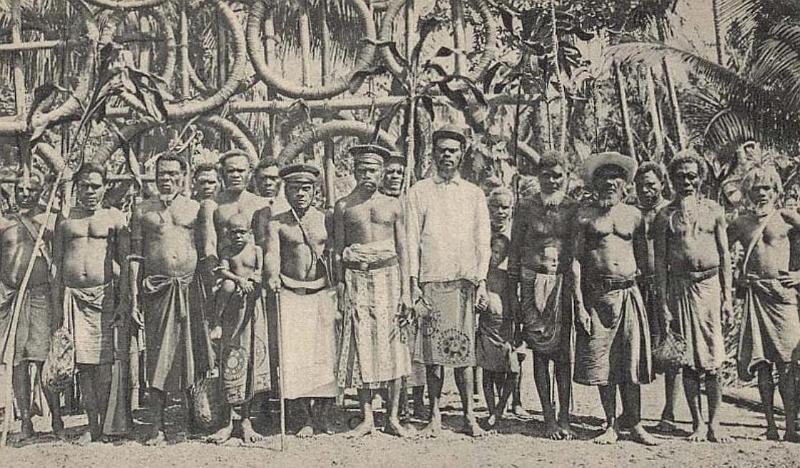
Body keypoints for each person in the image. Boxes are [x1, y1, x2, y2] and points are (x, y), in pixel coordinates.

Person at [406, 125, 491, 437]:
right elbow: (411, 240)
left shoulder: (474, 194)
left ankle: (469, 415)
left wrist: (481, 282)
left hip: (464, 283)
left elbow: (484, 242)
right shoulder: (419, 192)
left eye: (453, 150)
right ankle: (435, 416)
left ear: (462, 155)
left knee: (463, 353)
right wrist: (413, 284)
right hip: (431, 282)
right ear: (433, 153)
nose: (447, 155)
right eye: (442, 150)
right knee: (433, 357)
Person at [573, 152, 656, 446]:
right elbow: (576, 262)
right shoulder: (584, 216)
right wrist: (580, 305)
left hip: (630, 294)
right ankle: (609, 424)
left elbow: (646, 262)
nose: (609, 183)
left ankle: (635, 424)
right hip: (599, 296)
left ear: (624, 184)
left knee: (631, 364)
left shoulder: (634, 216)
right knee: (604, 365)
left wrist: (652, 301)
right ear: (595, 183)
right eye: (603, 178)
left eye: (615, 178)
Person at [129, 152, 211, 446]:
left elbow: (205, 252)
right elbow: (135, 257)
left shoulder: (196, 209)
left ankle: (188, 422)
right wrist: (134, 296)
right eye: (161, 174)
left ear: (183, 176)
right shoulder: (142, 211)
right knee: (157, 357)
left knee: (190, 355)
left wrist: (207, 293)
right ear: (154, 176)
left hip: (189, 289)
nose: (166, 179)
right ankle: (158, 426)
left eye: (173, 174)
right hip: (157, 290)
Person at [654, 150, 733, 443]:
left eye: (691, 176)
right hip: (680, 290)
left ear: (700, 178)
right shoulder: (665, 216)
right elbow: (660, 263)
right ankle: (697, 423)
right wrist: (663, 303)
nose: (686, 181)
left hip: (710, 289)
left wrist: (727, 298)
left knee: (713, 359)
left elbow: (725, 255)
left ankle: (715, 423)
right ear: (672, 180)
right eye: (680, 177)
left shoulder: (714, 210)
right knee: (687, 359)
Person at [333, 145, 412, 437]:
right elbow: (338, 251)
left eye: (372, 170)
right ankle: (367, 417)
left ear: (381, 172)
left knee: (395, 347)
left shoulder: (394, 205)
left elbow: (403, 249)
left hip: (389, 279)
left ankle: (392, 418)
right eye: (362, 169)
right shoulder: (343, 206)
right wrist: (341, 288)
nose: (367, 175)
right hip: (356, 280)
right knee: (360, 348)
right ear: (353, 171)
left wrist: (406, 292)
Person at [52, 163, 130, 444]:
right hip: (73, 297)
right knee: (83, 365)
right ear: (77, 188)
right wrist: (57, 306)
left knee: (105, 364)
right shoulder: (65, 220)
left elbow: (125, 263)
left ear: (105, 186)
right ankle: (92, 424)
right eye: (84, 185)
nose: (89, 191)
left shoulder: (115, 219)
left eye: (95, 186)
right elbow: (57, 266)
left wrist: (124, 303)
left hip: (105, 297)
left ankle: (110, 425)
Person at [264, 164, 338, 437]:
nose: (300, 194)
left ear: (314, 191)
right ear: (286, 190)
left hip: (320, 292)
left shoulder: (326, 219)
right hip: (291, 293)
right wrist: (271, 276)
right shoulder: (277, 222)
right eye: (294, 188)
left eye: (306, 188)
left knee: (323, 357)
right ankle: (302, 417)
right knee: (294, 359)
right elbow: (272, 254)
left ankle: (321, 415)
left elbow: (335, 253)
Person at [728, 165, 800, 442]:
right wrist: (736, 278)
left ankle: (791, 427)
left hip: (782, 297)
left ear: (776, 191)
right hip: (756, 296)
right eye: (757, 189)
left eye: (767, 188)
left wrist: (798, 275)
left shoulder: (786, 217)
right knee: (762, 363)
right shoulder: (741, 223)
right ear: (748, 192)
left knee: (788, 364)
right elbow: (721, 253)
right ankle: (770, 426)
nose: (762, 194)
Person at [509, 151, 577, 439]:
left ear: (566, 177)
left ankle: (564, 416)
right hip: (530, 280)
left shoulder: (573, 208)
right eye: (546, 175)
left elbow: (576, 251)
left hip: (560, 284)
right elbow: (514, 250)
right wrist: (514, 294)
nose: (552, 180)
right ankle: (547, 417)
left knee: (562, 354)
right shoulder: (526, 206)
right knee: (539, 352)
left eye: (557, 175)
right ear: (538, 177)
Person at [0, 171, 62, 439]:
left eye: (31, 189)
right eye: (20, 189)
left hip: (40, 296)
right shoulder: (3, 223)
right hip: (11, 297)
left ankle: (57, 420)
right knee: (16, 361)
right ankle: (25, 421)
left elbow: (59, 256)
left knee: (44, 359)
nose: (24, 194)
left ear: (41, 192)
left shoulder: (49, 221)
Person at [207, 213, 269, 444]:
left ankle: (245, 421)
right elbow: (222, 271)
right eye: (233, 232)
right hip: (232, 314)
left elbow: (261, 271)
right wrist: (238, 280)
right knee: (231, 361)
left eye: (242, 231)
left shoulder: (256, 251)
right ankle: (226, 423)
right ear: (227, 233)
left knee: (251, 360)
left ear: (250, 232)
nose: (238, 236)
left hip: (252, 310)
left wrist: (252, 280)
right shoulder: (227, 251)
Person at [379, 155, 427, 420]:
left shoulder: (412, 202)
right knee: (390, 341)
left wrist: (413, 283)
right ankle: (392, 404)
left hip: (411, 276)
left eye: (399, 172)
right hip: (384, 277)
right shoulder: (378, 202)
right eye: (390, 172)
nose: (395, 176)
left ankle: (417, 400)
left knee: (414, 342)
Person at [633, 162, 679, 433]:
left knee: (671, 347)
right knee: (636, 348)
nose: (646, 190)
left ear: (662, 184)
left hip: (668, 285)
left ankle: (670, 411)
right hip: (638, 286)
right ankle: (632, 412)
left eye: (651, 184)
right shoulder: (632, 213)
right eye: (641, 185)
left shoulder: (671, 212)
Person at [478, 230, 521, 427]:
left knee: (512, 371)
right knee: (488, 371)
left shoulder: (506, 276)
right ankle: (491, 410)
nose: (495, 256)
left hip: (504, 327)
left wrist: (517, 326)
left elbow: (513, 300)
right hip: (487, 326)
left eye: (500, 254)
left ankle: (500, 408)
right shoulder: (480, 275)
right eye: (493, 251)